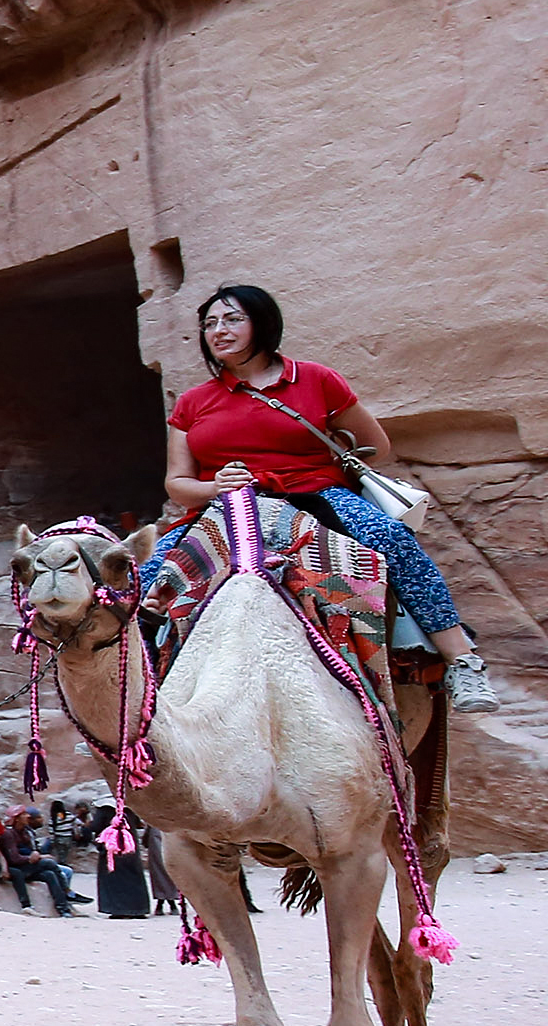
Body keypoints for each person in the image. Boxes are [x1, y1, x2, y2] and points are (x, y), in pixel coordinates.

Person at [166, 283, 496, 713]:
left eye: (232, 319)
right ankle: (132, 702)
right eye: (210, 324)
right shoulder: (194, 401)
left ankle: (462, 662)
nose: (219, 331)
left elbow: (375, 446)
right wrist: (214, 487)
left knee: (391, 539)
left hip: (318, 494)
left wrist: (319, 465)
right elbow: (177, 483)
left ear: (262, 323)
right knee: (149, 576)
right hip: (230, 507)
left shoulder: (316, 380)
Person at [0, 813, 82, 916]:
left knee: (50, 874)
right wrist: (33, 858)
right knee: (49, 863)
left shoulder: (26, 832)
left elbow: (34, 849)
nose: (28, 816)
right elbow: (14, 859)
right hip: (19, 868)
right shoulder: (9, 834)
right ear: (17, 819)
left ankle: (63, 908)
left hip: (28, 865)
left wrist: (36, 855)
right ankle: (67, 891)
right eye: (24, 814)